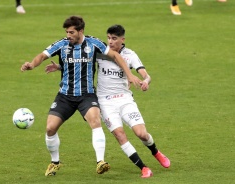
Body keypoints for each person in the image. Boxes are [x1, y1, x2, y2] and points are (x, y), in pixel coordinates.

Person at [20, 16, 142, 176]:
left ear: (81, 31)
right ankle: (55, 162)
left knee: (95, 121)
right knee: (50, 128)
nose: (68, 35)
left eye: (71, 32)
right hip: (65, 96)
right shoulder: (61, 44)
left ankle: (100, 162)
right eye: (67, 32)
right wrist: (32, 64)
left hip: (87, 95)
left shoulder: (93, 43)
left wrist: (130, 76)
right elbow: (42, 56)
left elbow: (116, 56)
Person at [45, 25, 170, 178]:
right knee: (120, 134)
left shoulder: (130, 55)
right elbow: (79, 62)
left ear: (122, 40)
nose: (110, 42)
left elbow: (145, 74)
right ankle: (143, 168)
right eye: (109, 38)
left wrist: (146, 81)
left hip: (125, 100)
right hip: (105, 102)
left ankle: (156, 152)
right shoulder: (100, 52)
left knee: (142, 134)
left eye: (114, 39)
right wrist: (59, 67)